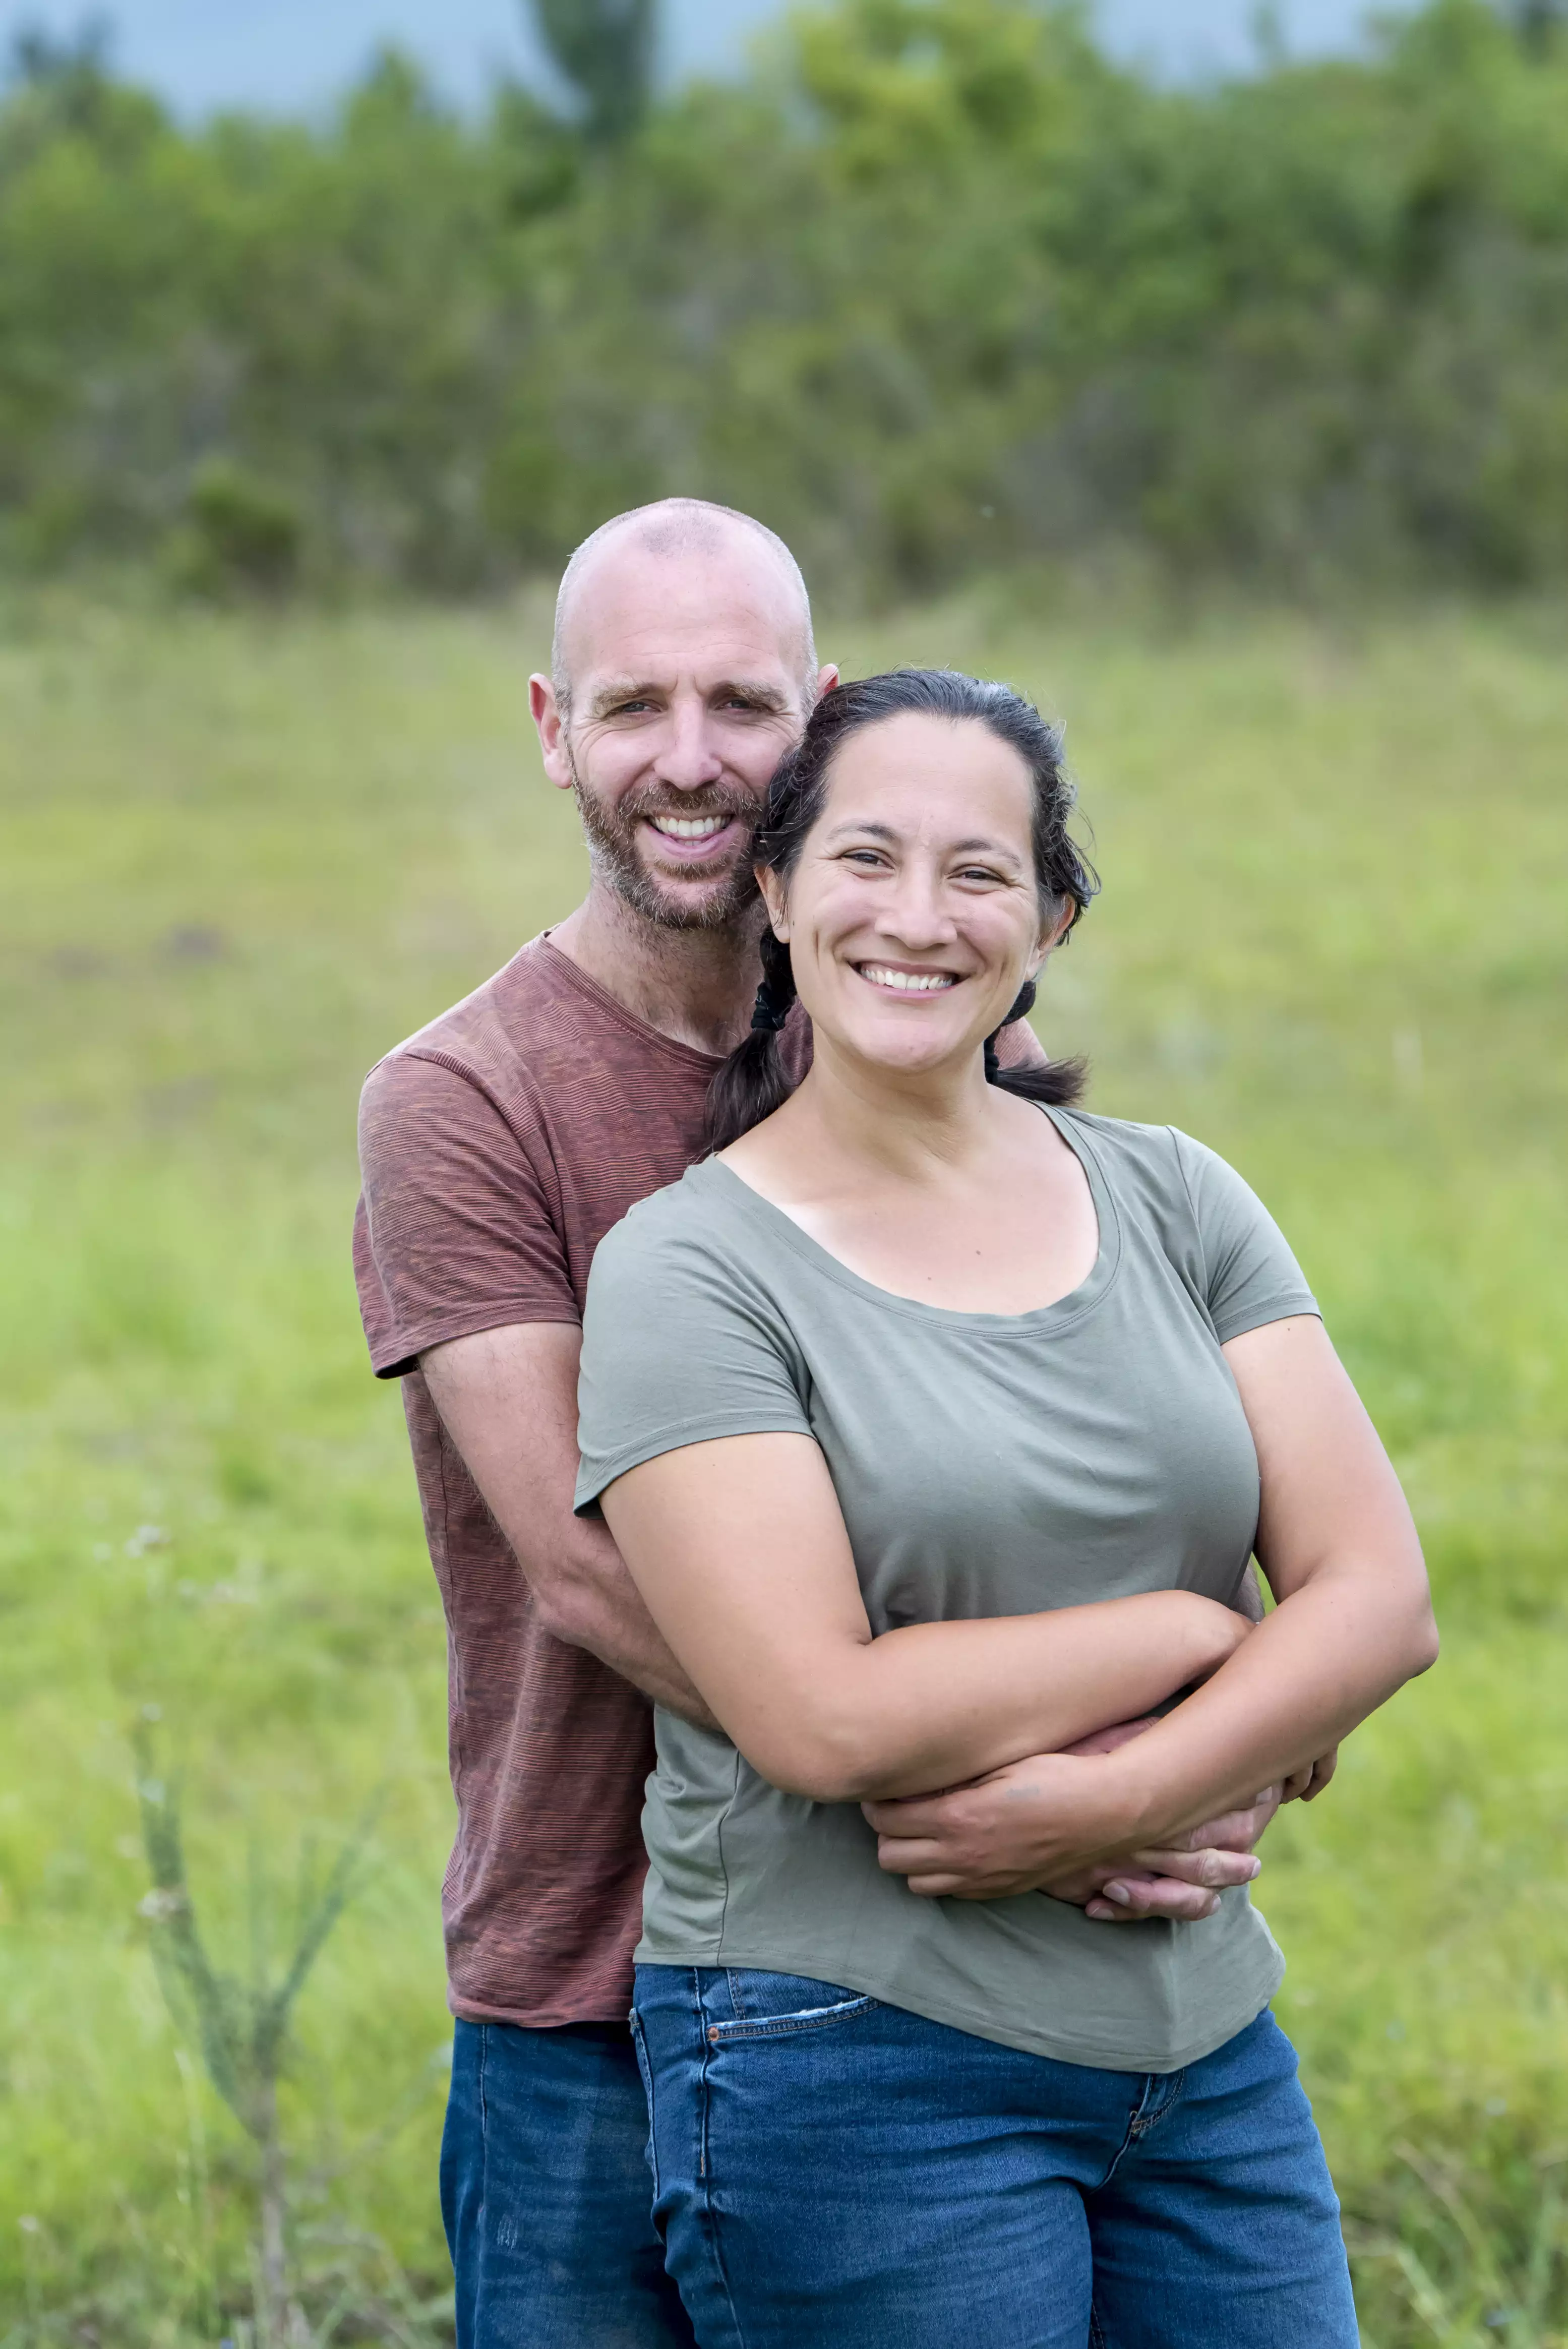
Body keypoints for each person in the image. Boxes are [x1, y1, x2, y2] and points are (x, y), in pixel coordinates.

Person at [355, 505, 1294, 2346]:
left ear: (827, 710)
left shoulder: (943, 1037)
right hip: (592, 1981)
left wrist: (1178, 1768)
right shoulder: (464, 1101)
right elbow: (586, 1566)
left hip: (993, 1971)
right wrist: (1075, 1792)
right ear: (554, 730)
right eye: (634, 708)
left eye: (741, 703)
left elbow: (1106, 1485)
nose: (689, 762)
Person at [574, 668, 1440, 2346]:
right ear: (774, 890)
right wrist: (1202, 1637)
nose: (918, 919)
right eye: (864, 860)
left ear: (1047, 920)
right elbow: (819, 1716)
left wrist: (1113, 1807)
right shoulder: (687, 1269)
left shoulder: (1176, 1195)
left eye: (978, 874)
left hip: (1200, 2054)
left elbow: (1377, 1598)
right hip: (846, 2054)